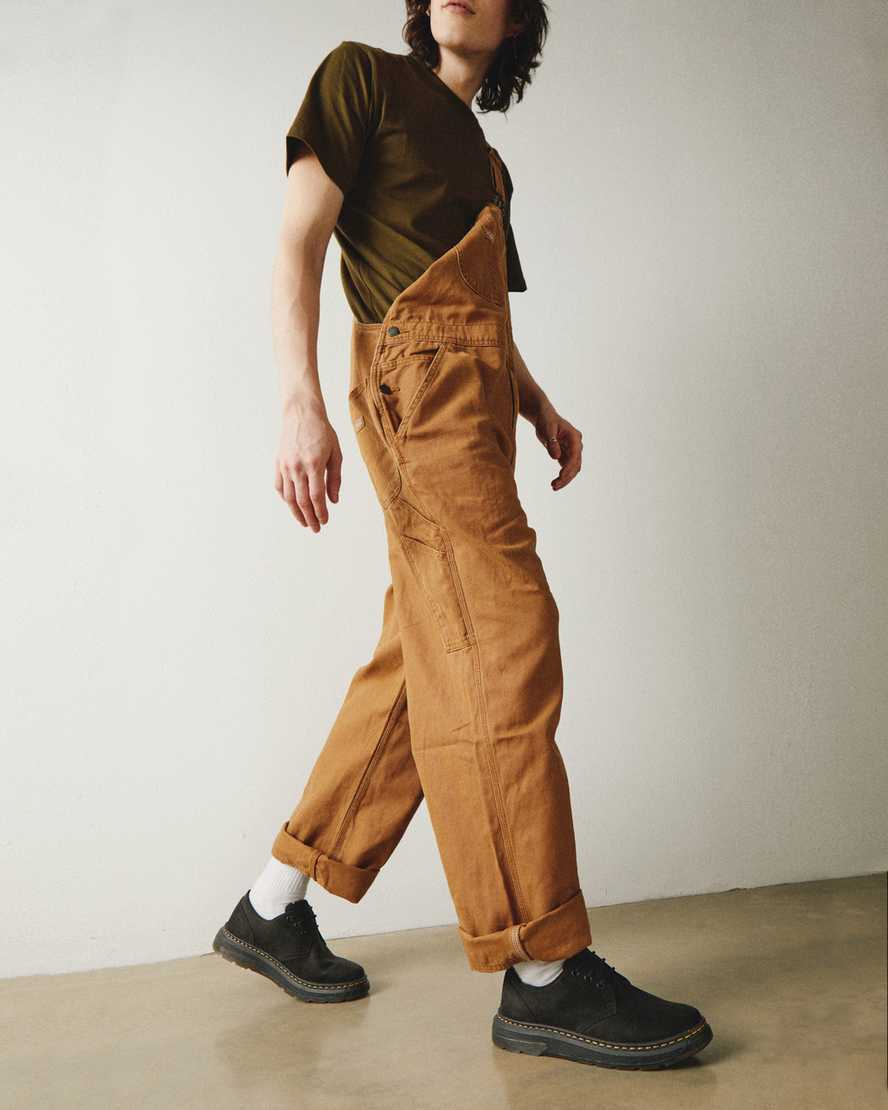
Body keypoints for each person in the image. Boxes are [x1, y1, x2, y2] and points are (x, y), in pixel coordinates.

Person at [213, 0, 713, 1070]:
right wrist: (298, 401)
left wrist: (536, 401)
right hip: (419, 395)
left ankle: (274, 902)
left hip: (475, 405)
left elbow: (482, 310)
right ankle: (541, 971)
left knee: (426, 657)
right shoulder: (361, 78)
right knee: (501, 643)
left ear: (519, 21)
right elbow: (299, 241)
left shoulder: (488, 165)